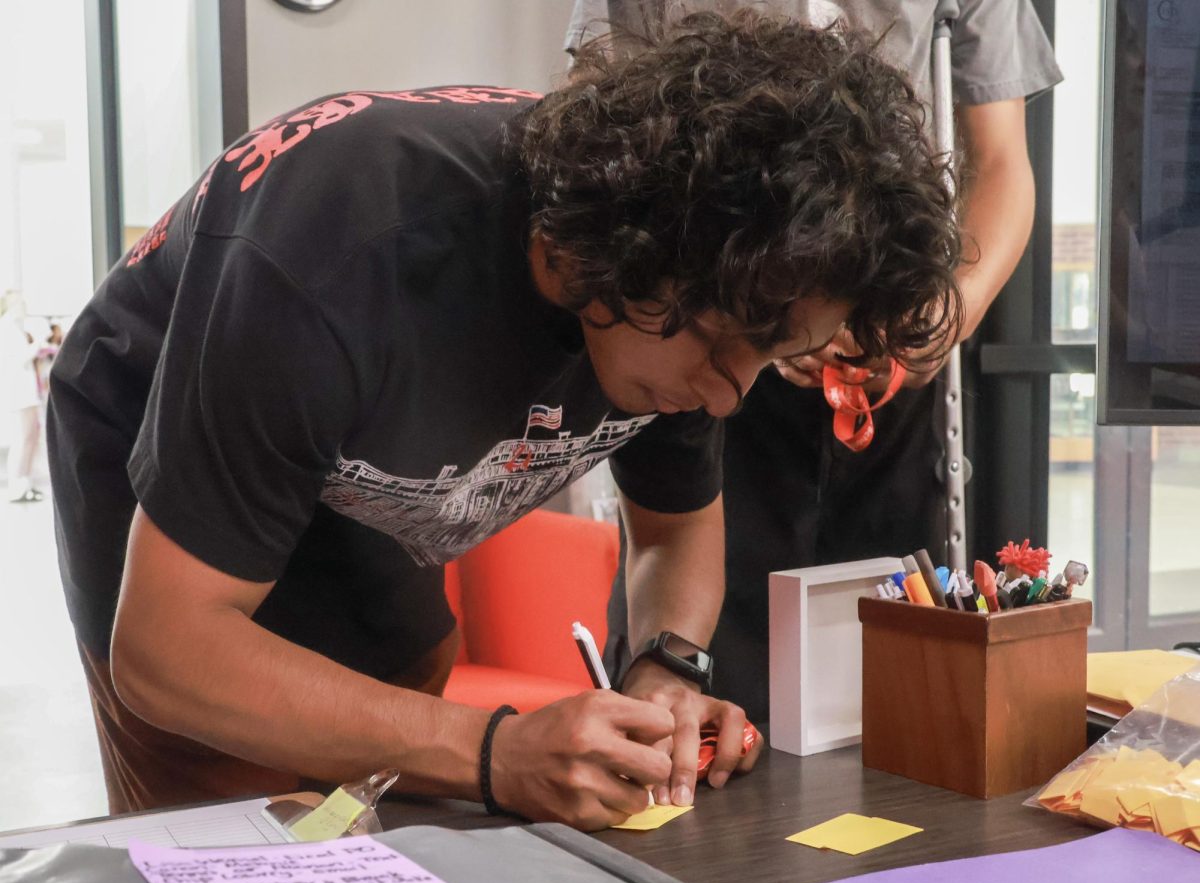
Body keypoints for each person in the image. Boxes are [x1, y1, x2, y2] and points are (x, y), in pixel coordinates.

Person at [48, 10, 961, 830]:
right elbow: (168, 651)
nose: (730, 396)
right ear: (627, 251)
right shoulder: (342, 251)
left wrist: (665, 671)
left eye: (769, 360)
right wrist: (496, 751)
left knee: (390, 754)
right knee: (231, 819)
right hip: (161, 430)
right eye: (729, 350)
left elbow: (674, 536)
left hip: (357, 480)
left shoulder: (703, 290)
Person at [569, 0, 1061, 723]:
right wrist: (766, 321)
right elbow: (602, 135)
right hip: (712, 351)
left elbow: (1001, 165)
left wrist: (944, 311)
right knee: (701, 677)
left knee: (896, 684)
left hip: (889, 363)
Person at [1, 289, 44, 503]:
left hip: (27, 390)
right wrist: (36, 346)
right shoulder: (6, 328)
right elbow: (17, 359)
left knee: (31, 436)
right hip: (18, 391)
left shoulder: (16, 328)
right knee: (24, 436)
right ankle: (17, 484)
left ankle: (25, 481)